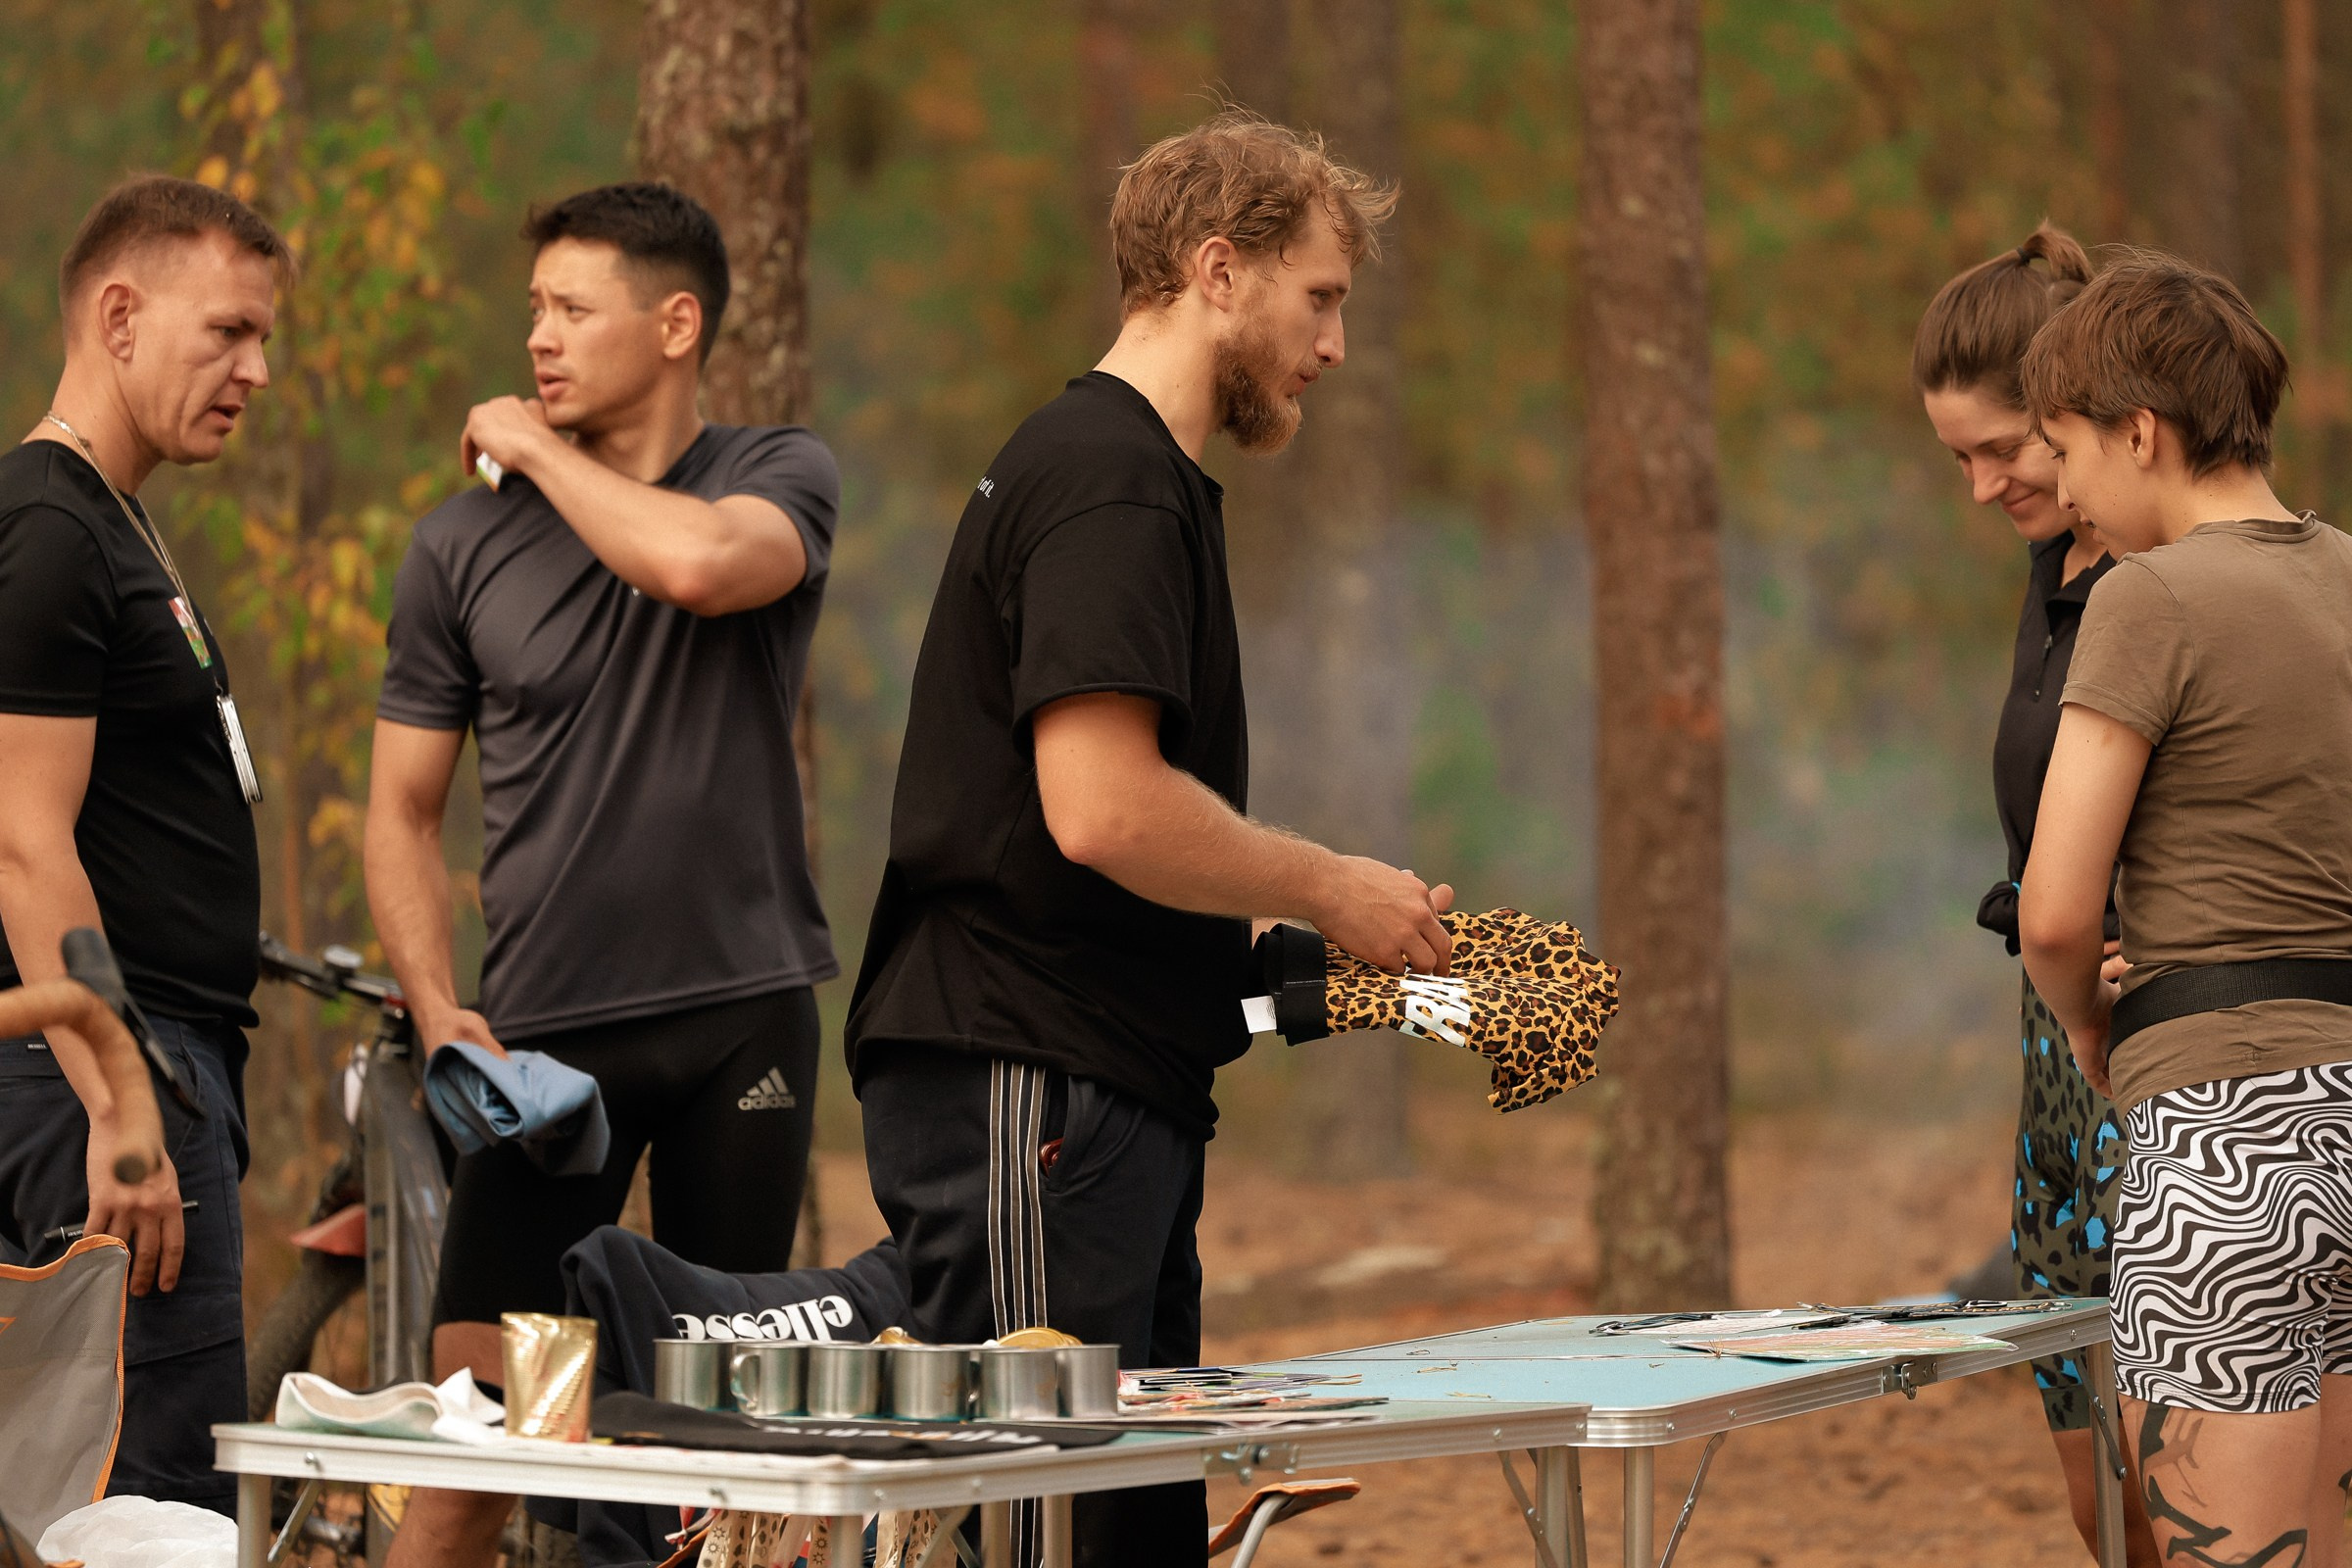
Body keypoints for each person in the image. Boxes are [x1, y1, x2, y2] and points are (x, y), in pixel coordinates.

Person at [846, 112, 1453, 1568]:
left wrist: (1326, 945)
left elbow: (1088, 841)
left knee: (1122, 1528)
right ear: (1217, 272)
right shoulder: (1108, 478)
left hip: (1098, 1087)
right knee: (1043, 1533)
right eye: (1322, 298)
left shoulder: (1136, 480)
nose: (1336, 346)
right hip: (1027, 1080)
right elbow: (1101, 809)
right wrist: (1326, 877)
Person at [366, 181, 840, 1567]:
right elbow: (400, 811)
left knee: (719, 1439)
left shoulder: (779, 472)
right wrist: (434, 1001)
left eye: (573, 309)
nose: (540, 341)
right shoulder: (457, 548)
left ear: (676, 323)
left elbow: (696, 567)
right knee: (493, 1425)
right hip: (545, 1058)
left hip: (739, 1025)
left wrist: (534, 451)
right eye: (534, 313)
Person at [2021, 250, 2352, 1567]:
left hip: (2228, 1140)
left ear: (2139, 431)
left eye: (2066, 451)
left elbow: (2057, 911)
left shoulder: (2145, 600)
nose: (2064, 492)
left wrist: (2095, 1033)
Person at [0, 175, 287, 1516]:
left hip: (154, 1063)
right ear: (119, 315)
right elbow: (20, 843)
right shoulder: (52, 529)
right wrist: (123, 1109)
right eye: (227, 332)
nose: (258, 369)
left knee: (122, 1500)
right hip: (105, 1080)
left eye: (263, 337)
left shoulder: (112, 521)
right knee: (147, 1511)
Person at [1914, 221, 2156, 1564]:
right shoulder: (2054, 565)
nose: (1981, 485)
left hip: (2166, 1044)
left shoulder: (2168, 578)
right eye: (1957, 457)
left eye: (2004, 448)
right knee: (2100, 1503)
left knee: (2207, 1487)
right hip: (2054, 1056)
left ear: (2083, 412)